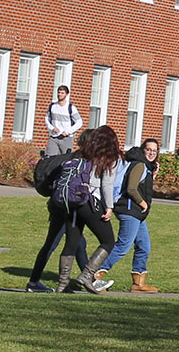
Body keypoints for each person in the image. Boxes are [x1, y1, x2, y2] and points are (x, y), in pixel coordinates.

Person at [25, 129, 93, 293]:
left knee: (77, 244)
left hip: (60, 205)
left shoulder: (74, 158)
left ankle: (88, 280)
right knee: (53, 243)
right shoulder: (78, 161)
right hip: (65, 208)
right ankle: (34, 282)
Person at [61, 126, 121, 294]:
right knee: (108, 241)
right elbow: (106, 185)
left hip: (72, 202)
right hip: (90, 201)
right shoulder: (110, 158)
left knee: (71, 243)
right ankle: (87, 275)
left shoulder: (83, 154)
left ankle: (62, 284)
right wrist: (109, 207)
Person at [95, 138, 160, 292]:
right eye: (148, 149)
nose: (151, 153)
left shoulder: (145, 166)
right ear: (143, 150)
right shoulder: (140, 165)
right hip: (130, 211)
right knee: (123, 246)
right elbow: (131, 189)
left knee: (144, 246)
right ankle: (93, 274)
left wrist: (153, 175)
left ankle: (138, 283)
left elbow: (141, 185)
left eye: (154, 151)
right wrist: (143, 203)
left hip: (136, 214)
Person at [42, 85, 83, 156]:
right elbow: (47, 119)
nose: (59, 95)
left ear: (66, 94)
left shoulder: (71, 108)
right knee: (49, 158)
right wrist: (52, 128)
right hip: (54, 137)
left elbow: (79, 122)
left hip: (66, 138)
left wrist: (67, 132)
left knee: (65, 160)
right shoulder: (52, 106)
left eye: (62, 93)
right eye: (59, 92)